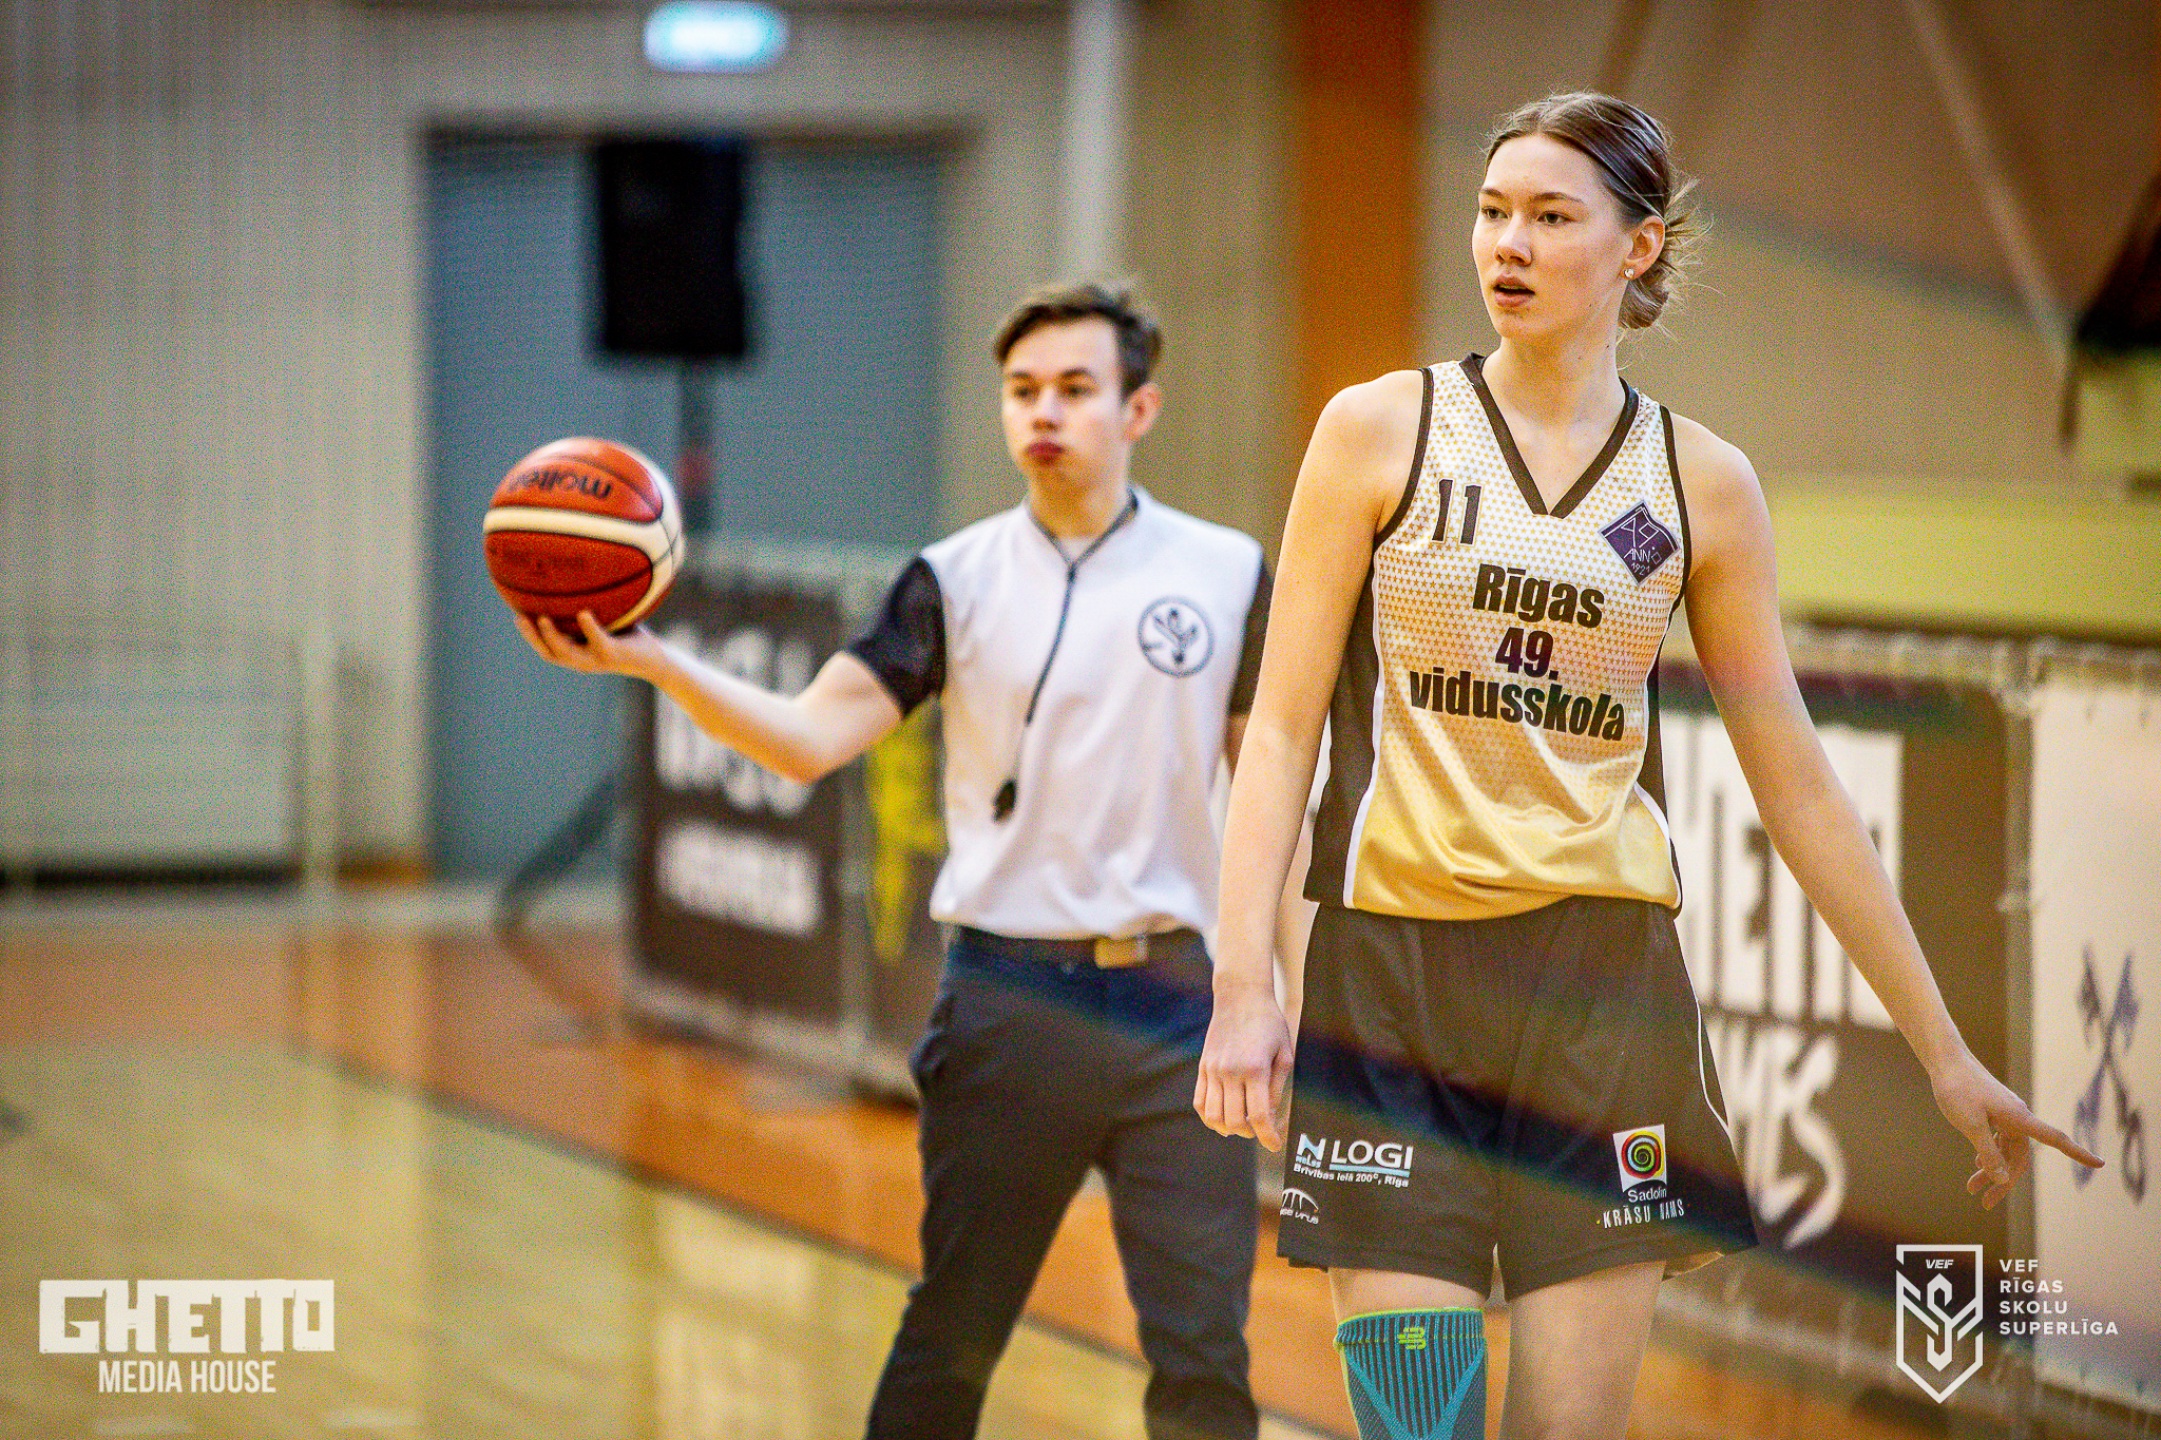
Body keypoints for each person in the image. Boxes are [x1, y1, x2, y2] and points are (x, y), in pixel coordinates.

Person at [1193, 92, 2104, 1440]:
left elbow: (1796, 783)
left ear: (1637, 247)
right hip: (1390, 991)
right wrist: (1242, 986)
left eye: (1549, 216)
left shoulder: (1702, 483)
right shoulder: (1377, 430)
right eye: (1491, 211)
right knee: (1416, 1425)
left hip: (1602, 1004)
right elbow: (1278, 733)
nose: (1507, 243)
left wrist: (1945, 1053)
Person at [516, 282, 1274, 1440]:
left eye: (1075, 389)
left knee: (1204, 1351)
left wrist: (1269, 993)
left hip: (1179, 1005)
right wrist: (658, 662)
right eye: (1022, 390)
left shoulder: (1226, 571)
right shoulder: (951, 578)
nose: (1044, 412)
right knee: (954, 1326)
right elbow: (808, 738)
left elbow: (1272, 799)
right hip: (1011, 1001)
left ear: (1139, 409)